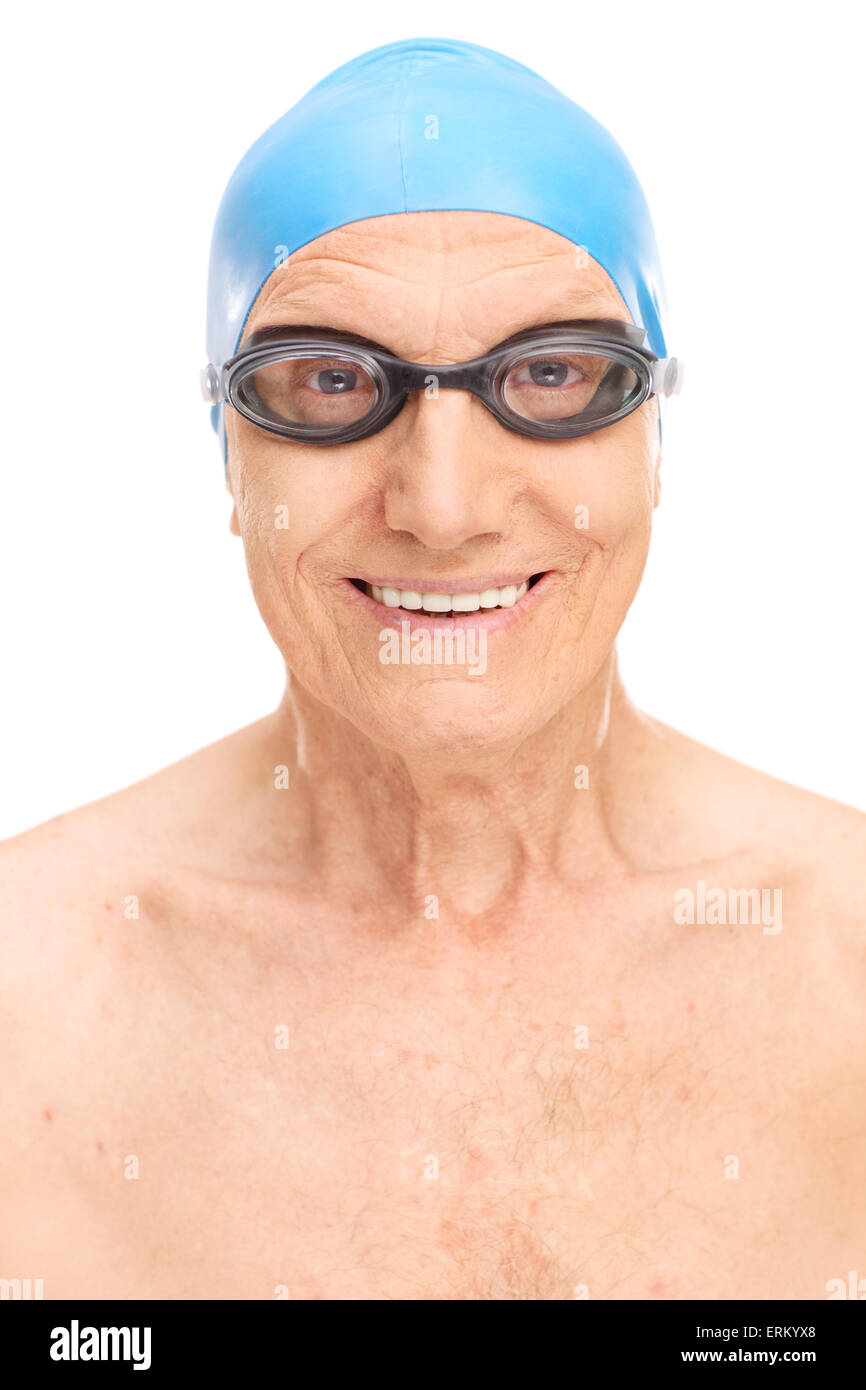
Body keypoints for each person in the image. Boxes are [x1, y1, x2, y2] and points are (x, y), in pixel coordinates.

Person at [1, 37, 863, 1302]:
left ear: (654, 441)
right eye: (331, 382)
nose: (444, 505)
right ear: (228, 457)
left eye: (554, 375)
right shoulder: (28, 996)